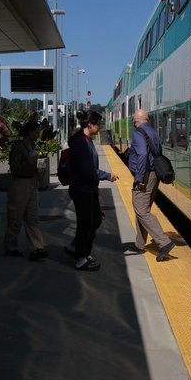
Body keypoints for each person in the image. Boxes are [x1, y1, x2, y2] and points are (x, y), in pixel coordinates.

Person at [65, 111, 116, 271]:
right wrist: (106, 176)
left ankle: (81, 250)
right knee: (86, 223)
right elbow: (88, 169)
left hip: (87, 188)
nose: (100, 128)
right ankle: (81, 257)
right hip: (82, 189)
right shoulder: (81, 143)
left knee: (93, 220)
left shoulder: (86, 140)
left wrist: (95, 187)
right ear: (90, 125)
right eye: (98, 124)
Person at [128, 108, 174, 261]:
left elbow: (142, 154)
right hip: (154, 175)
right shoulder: (153, 132)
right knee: (142, 209)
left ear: (136, 121)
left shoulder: (138, 133)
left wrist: (139, 178)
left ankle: (164, 242)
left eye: (134, 120)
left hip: (145, 176)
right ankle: (139, 244)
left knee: (141, 210)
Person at [3, 117, 48, 260]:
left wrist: (37, 169)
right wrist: (30, 163)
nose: (38, 135)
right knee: (15, 217)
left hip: (31, 183)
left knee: (33, 217)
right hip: (20, 184)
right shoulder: (18, 147)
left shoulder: (33, 147)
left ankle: (37, 248)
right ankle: (11, 247)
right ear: (29, 132)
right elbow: (15, 169)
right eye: (36, 132)